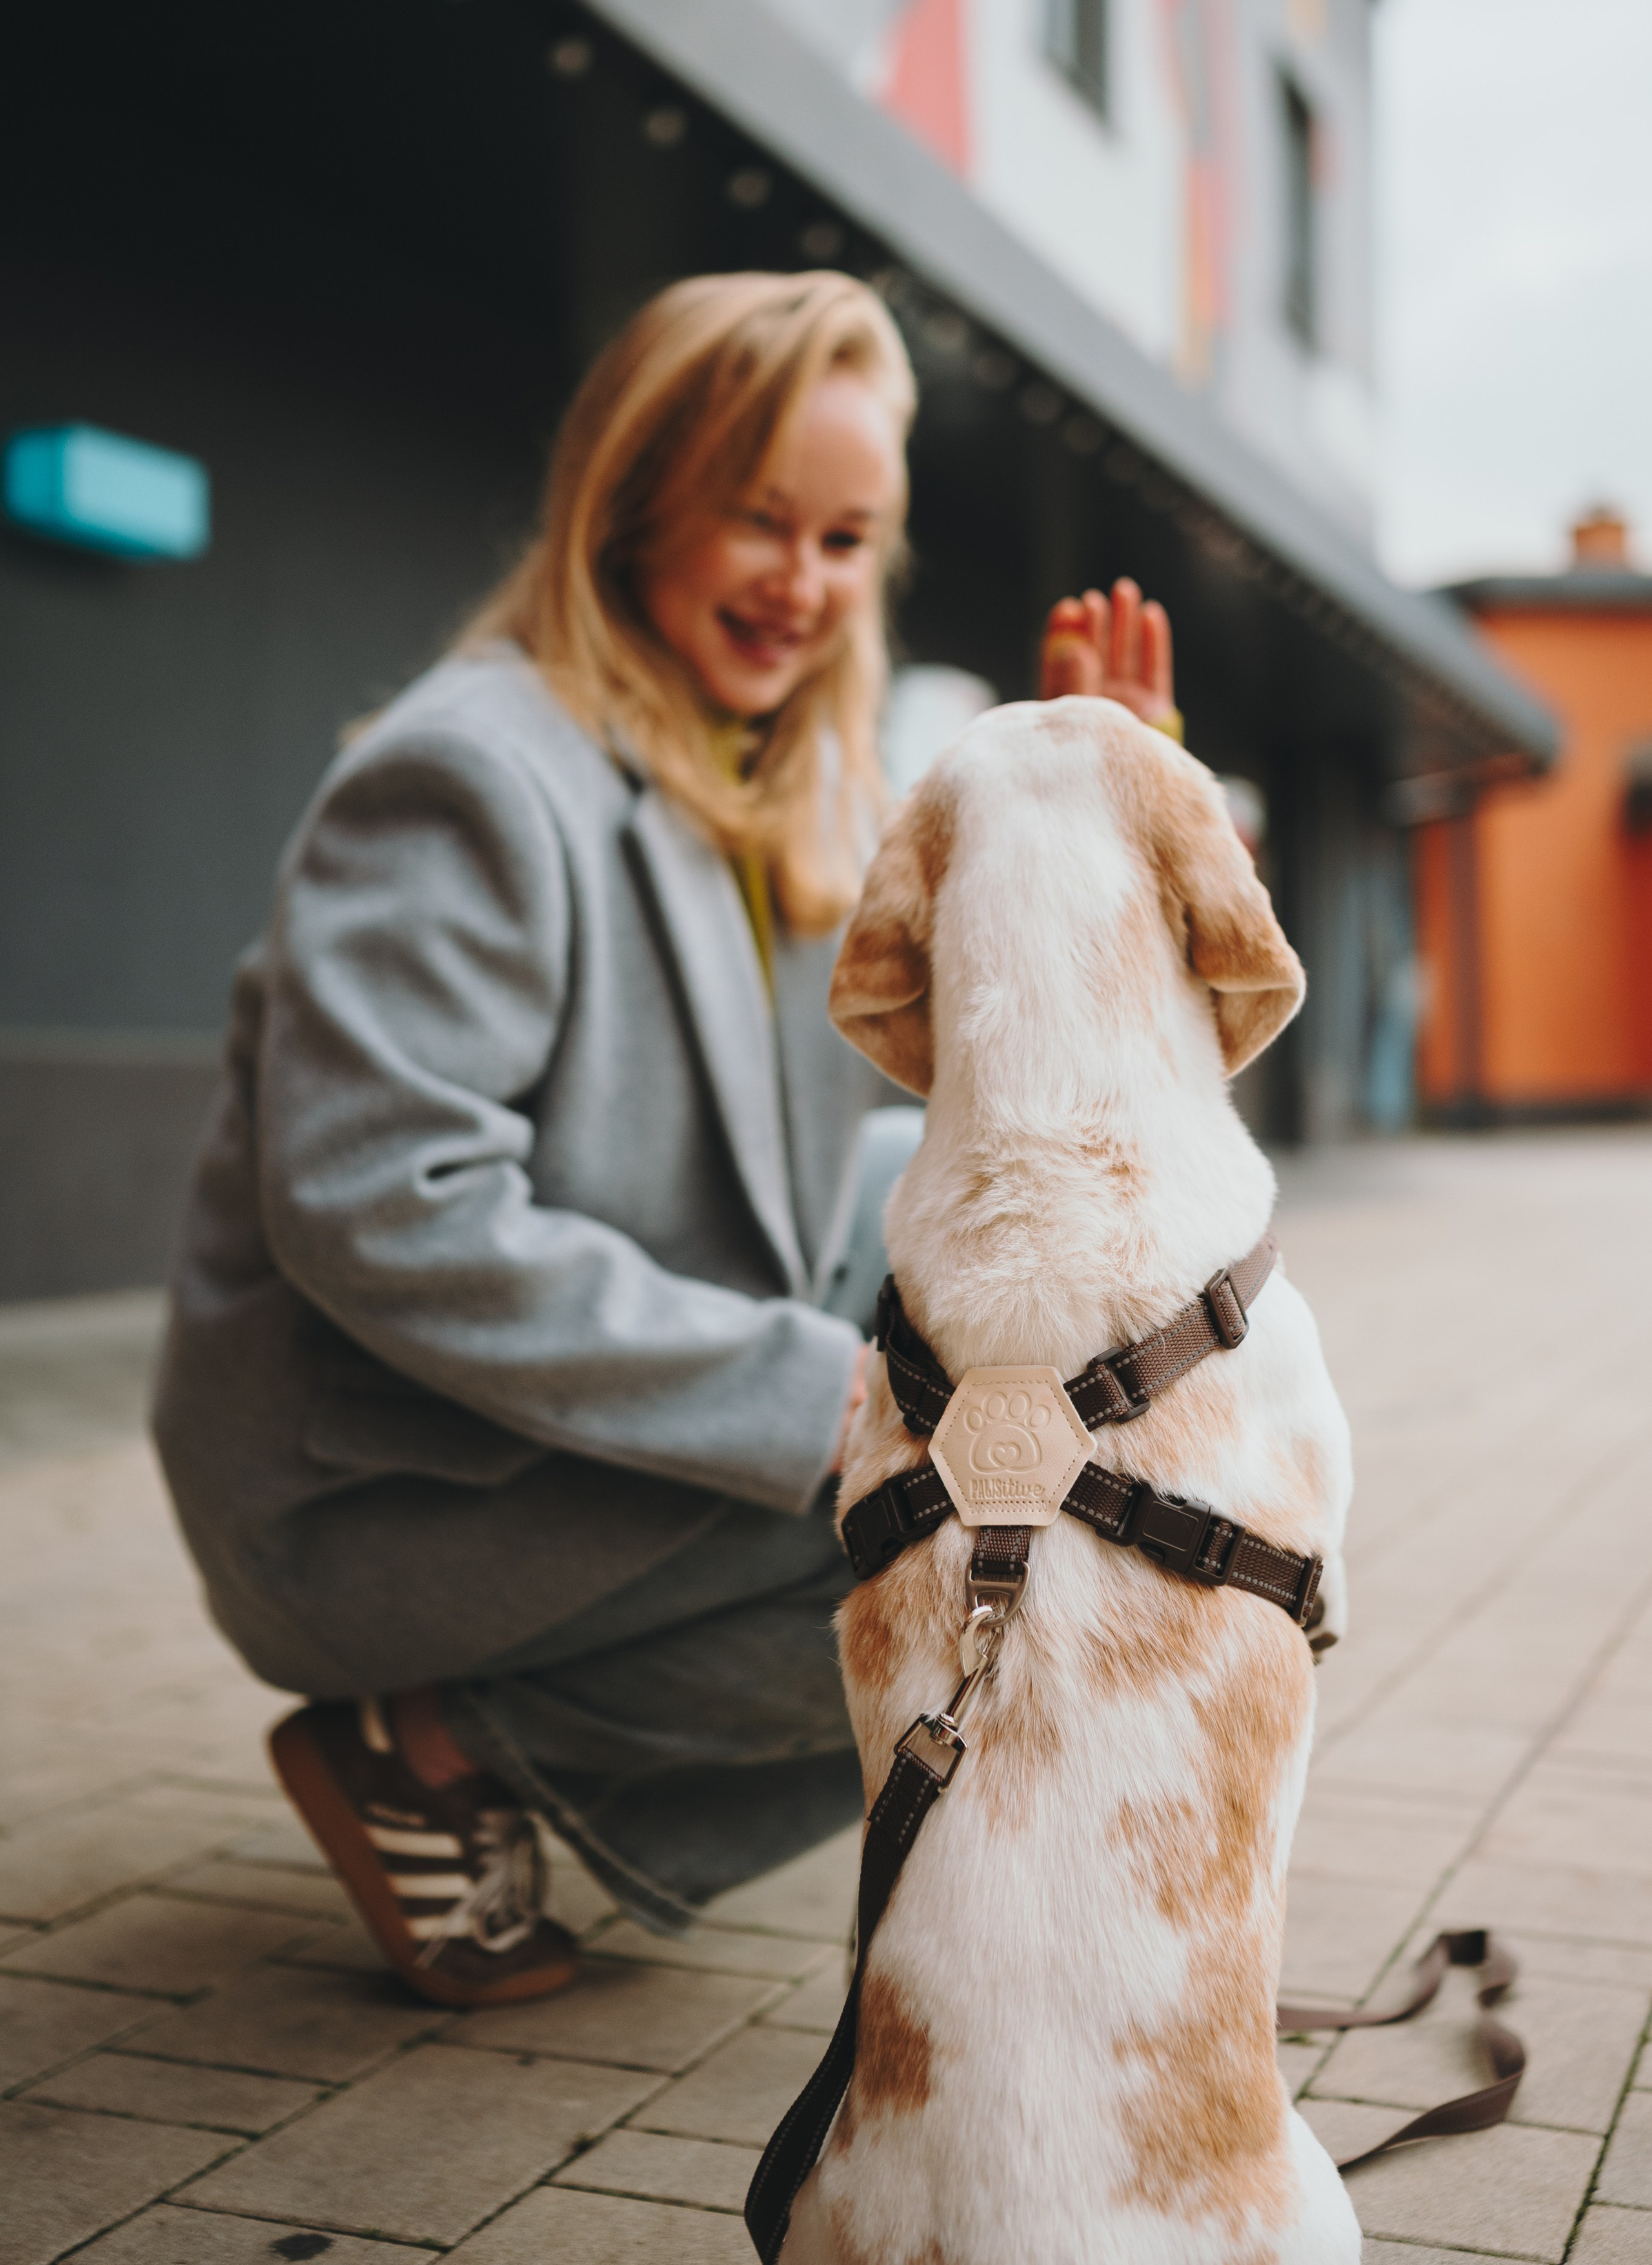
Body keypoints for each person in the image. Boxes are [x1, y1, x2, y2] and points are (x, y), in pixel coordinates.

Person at [152, 271, 1177, 2009]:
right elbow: (385, 1206)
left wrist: (1091, 811)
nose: (803, 581)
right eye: (759, 518)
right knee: (1002, 1510)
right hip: (383, 1489)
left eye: (844, 539)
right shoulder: (473, 775)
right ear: (635, 498)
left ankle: (509, 1743)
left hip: (544, 1414)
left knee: (1069, 1322)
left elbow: (1003, 1093)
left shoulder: (768, 773)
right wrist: (829, 1403)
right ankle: (439, 1745)